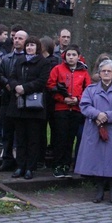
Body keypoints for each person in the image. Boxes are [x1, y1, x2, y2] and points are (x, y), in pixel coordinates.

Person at [76, 59, 112, 203]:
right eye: (103, 71)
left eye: (109, 71)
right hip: (94, 128)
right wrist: (97, 114)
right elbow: (84, 105)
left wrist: (107, 116)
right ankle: (99, 191)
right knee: (97, 160)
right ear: (99, 73)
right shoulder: (90, 89)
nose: (106, 73)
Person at [6, 36, 55, 179]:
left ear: (37, 47)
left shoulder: (43, 63)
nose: (29, 48)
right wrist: (16, 87)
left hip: (34, 106)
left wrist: (25, 88)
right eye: (27, 45)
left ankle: (30, 167)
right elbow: (12, 76)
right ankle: (20, 166)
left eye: (32, 45)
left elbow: (42, 81)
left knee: (33, 138)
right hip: (18, 105)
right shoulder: (19, 61)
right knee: (20, 138)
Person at [47, 44, 91, 178]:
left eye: (74, 55)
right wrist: (62, 98)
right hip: (61, 108)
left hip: (76, 109)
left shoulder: (83, 72)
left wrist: (78, 100)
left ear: (79, 57)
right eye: (69, 55)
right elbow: (50, 85)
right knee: (60, 137)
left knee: (70, 138)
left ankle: (66, 164)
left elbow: (88, 90)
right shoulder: (57, 69)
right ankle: (57, 164)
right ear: (64, 56)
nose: (71, 57)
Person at [0, 30, 29, 171]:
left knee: (21, 133)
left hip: (22, 98)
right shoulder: (7, 58)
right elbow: (0, 73)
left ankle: (21, 162)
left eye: (20, 38)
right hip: (7, 97)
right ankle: (7, 159)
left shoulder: (30, 59)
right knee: (6, 131)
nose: (16, 40)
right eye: (15, 38)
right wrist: (7, 84)